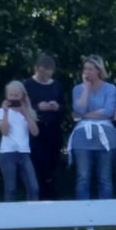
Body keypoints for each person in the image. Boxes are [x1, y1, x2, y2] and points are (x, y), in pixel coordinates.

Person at [68, 55, 116, 230]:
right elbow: (78, 109)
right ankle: (83, 218)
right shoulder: (78, 89)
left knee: (104, 178)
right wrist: (86, 89)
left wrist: (85, 115)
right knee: (83, 177)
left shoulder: (110, 88)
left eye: (90, 69)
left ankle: (105, 219)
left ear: (99, 70)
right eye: (85, 69)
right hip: (82, 137)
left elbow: (109, 112)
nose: (87, 72)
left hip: (105, 136)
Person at [23, 52, 66, 200]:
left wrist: (56, 107)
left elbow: (64, 107)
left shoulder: (56, 85)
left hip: (53, 129)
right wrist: (37, 107)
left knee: (53, 164)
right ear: (37, 69)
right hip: (36, 129)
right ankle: (39, 197)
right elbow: (22, 106)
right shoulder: (27, 84)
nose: (46, 76)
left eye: (48, 73)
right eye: (42, 73)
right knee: (39, 163)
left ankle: (53, 197)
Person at [0, 80, 39, 201]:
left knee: (33, 187)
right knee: (11, 188)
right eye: (11, 95)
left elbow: (35, 132)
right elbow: (4, 131)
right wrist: (6, 111)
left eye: (16, 96)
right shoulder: (1, 112)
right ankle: (8, 217)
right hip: (7, 153)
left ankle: (33, 214)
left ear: (22, 97)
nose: (13, 98)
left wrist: (26, 114)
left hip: (24, 153)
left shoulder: (28, 112)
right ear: (7, 96)